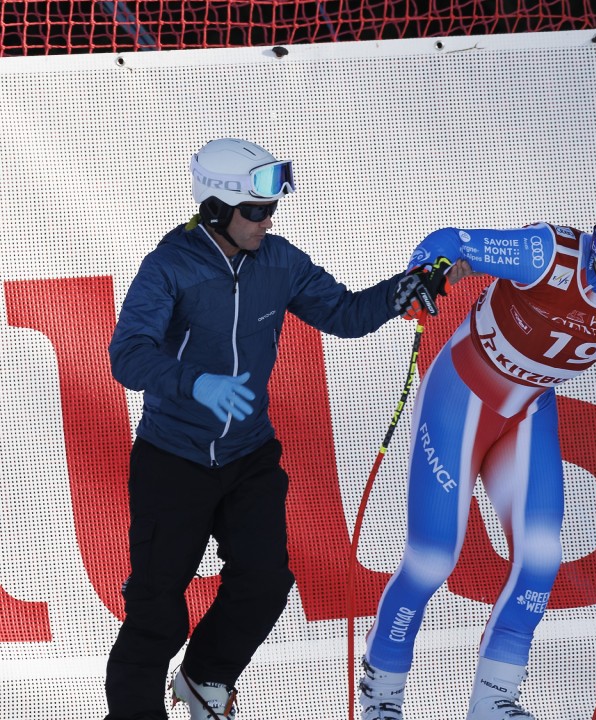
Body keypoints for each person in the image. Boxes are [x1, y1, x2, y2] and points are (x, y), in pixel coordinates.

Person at [357, 181, 596, 720]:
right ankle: (382, 695)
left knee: (541, 558)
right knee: (432, 559)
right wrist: (426, 270)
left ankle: (494, 699)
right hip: (461, 396)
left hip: (528, 409)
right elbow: (453, 241)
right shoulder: (550, 253)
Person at [105, 138, 442, 720]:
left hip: (249, 455)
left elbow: (342, 313)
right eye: (256, 211)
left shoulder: (279, 261)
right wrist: (196, 383)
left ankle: (205, 678)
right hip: (173, 458)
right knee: (157, 608)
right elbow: (127, 355)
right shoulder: (170, 267)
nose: (267, 221)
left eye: (272, 210)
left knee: (265, 582)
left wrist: (398, 292)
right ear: (216, 209)